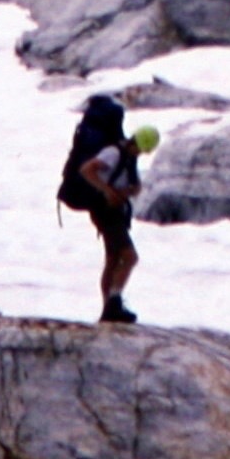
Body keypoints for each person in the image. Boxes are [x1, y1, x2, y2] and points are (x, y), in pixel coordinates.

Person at [60, 93, 146, 324]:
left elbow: (133, 185)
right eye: (142, 149)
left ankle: (108, 309)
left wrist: (128, 191)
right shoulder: (114, 152)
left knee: (113, 258)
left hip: (110, 209)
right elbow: (86, 170)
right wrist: (108, 192)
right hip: (103, 209)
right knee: (129, 257)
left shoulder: (127, 156)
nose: (141, 154)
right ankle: (114, 302)